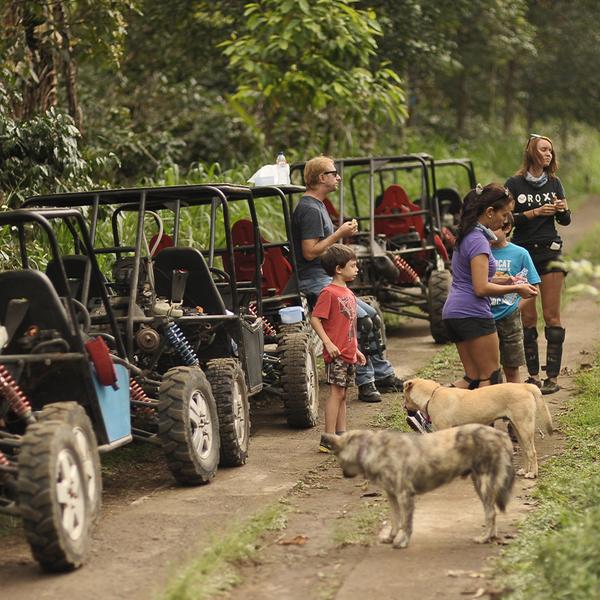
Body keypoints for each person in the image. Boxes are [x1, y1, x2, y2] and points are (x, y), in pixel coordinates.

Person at [291, 155, 403, 403]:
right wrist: (340, 233)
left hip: (326, 277)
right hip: (314, 280)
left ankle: (382, 375)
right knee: (360, 319)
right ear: (322, 178)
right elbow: (310, 252)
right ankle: (366, 382)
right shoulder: (309, 209)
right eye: (334, 173)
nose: (338, 177)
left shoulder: (318, 205)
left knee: (372, 315)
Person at [442, 183, 538, 389]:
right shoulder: (479, 240)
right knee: (491, 376)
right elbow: (481, 288)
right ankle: (485, 422)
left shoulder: (468, 235)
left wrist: (509, 280)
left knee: (473, 377)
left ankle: (426, 413)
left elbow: (473, 278)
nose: (506, 220)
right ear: (489, 212)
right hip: (473, 313)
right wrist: (516, 289)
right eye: (504, 214)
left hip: (455, 312)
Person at [505, 134, 571, 394]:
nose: (548, 154)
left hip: (550, 252)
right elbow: (506, 219)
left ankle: (552, 378)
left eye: (551, 151)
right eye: (544, 150)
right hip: (522, 254)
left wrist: (562, 210)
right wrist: (534, 213)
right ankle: (532, 376)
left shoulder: (554, 183)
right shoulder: (514, 183)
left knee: (552, 316)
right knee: (528, 317)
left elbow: (565, 221)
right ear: (532, 151)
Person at [310, 244, 366, 452]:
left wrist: (356, 349)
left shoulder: (348, 293)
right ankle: (328, 437)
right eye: (353, 265)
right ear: (338, 269)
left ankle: (342, 435)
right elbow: (315, 319)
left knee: (343, 394)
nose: (357, 269)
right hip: (336, 353)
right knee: (335, 393)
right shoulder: (329, 293)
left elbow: (350, 325)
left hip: (348, 351)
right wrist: (328, 342)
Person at [490, 214, 541, 383]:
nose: (488, 233)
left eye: (493, 228)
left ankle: (516, 402)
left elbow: (534, 287)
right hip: (484, 317)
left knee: (512, 367)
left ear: (507, 228)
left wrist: (516, 307)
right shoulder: (481, 253)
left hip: (509, 318)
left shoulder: (520, 254)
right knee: (490, 369)